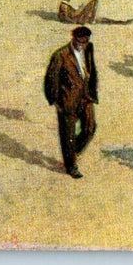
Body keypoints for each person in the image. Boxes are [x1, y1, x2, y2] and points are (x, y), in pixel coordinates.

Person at [44, 26, 98, 178]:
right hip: (67, 101)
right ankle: (71, 165)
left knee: (90, 128)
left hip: (86, 98)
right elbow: (51, 79)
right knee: (67, 134)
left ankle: (72, 151)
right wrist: (55, 101)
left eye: (85, 42)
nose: (82, 45)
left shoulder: (88, 49)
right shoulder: (60, 55)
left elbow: (91, 70)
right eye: (79, 42)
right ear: (73, 38)